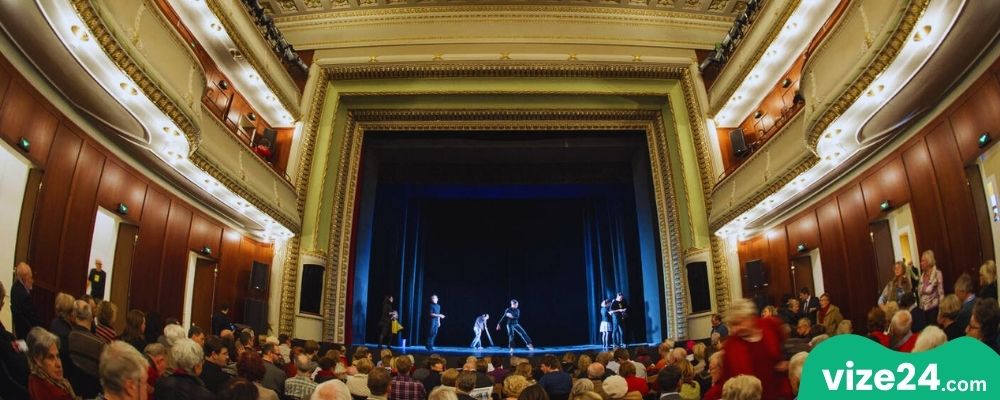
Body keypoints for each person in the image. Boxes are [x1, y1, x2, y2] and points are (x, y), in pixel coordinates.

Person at [719, 299, 791, 399]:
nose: (736, 329)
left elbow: (784, 343)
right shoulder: (730, 347)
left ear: (751, 318)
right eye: (733, 325)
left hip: (780, 393)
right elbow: (727, 383)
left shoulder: (770, 325)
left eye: (739, 323)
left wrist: (785, 362)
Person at [67, 299, 105, 397]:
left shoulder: (68, 336)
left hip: (69, 391)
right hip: (92, 394)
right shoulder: (100, 344)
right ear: (91, 318)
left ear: (74, 316)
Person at [12, 262, 42, 340]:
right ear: (25, 278)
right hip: (27, 334)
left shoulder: (14, 287)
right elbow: (32, 320)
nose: (32, 280)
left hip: (19, 330)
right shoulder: (24, 296)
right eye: (31, 277)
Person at [917, 250, 945, 326]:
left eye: (923, 261)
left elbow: (941, 293)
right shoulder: (922, 276)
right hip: (923, 311)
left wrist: (941, 312)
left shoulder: (937, 273)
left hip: (934, 310)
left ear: (929, 261)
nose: (921, 263)